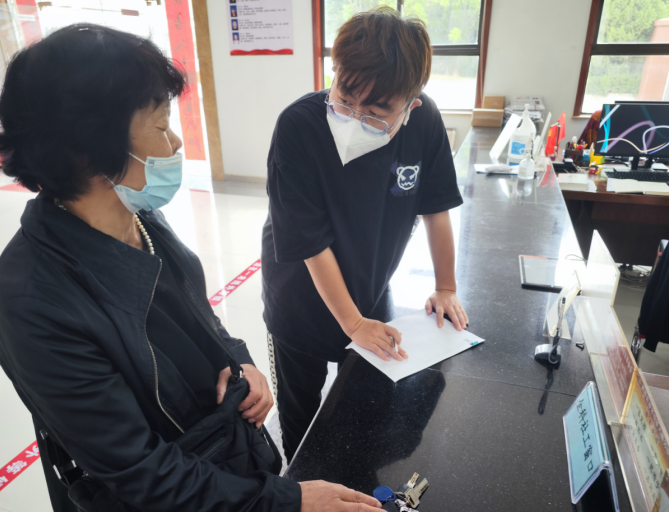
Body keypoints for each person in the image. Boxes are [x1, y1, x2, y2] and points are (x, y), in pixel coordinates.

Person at [0, 24, 382, 512]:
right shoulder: (32, 299)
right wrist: (288, 501)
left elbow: (196, 315)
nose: (177, 142)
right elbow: (141, 473)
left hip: (227, 463)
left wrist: (239, 358)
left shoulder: (140, 217)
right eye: (161, 127)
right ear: (93, 149)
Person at [262, 6, 469, 462]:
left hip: (370, 284)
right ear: (336, 73)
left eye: (375, 113)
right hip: (299, 297)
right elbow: (310, 244)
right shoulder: (298, 126)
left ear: (410, 106)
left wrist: (446, 287)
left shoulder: (425, 123)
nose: (353, 118)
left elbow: (436, 209)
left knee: (366, 406)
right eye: (344, 98)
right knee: (302, 416)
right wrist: (352, 323)